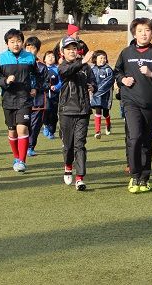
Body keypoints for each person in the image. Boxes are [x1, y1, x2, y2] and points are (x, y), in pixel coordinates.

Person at [114, 18, 152, 193]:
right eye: (140, 31)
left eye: (147, 30)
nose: (143, 34)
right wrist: (123, 80)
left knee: (146, 140)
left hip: (150, 102)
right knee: (135, 137)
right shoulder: (126, 52)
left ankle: (144, 178)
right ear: (134, 33)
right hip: (130, 102)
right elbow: (117, 72)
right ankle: (134, 175)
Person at [0, 28, 39, 173]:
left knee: (22, 128)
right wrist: (6, 81)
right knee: (12, 132)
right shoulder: (1, 58)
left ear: (22, 42)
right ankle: (16, 157)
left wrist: (34, 87)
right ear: (7, 43)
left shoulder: (30, 58)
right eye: (12, 42)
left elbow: (36, 75)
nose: (16, 44)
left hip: (24, 99)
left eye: (18, 41)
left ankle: (22, 161)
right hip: (8, 100)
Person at [57, 36, 96, 191]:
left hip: (83, 110)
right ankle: (68, 166)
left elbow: (93, 81)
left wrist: (93, 86)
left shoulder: (86, 67)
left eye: (74, 48)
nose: (72, 51)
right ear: (62, 52)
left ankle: (80, 178)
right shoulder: (63, 66)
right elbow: (68, 71)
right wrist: (83, 62)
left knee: (80, 144)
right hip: (66, 110)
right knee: (68, 145)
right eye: (68, 49)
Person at [24, 36, 49, 157]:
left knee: (35, 126)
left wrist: (36, 89)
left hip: (38, 102)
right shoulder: (20, 64)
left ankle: (30, 147)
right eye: (27, 47)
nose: (29, 50)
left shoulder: (42, 66)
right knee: (23, 125)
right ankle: (22, 146)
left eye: (32, 48)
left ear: (37, 50)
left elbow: (46, 83)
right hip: (22, 101)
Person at [91, 50, 115, 139]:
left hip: (106, 94)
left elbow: (108, 82)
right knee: (98, 111)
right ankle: (97, 131)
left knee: (105, 113)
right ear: (95, 59)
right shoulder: (92, 69)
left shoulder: (108, 70)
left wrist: (97, 90)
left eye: (104, 58)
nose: (103, 60)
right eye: (101, 58)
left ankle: (108, 124)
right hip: (96, 94)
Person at [42, 51, 61, 139]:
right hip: (44, 94)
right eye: (48, 56)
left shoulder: (57, 69)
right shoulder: (41, 69)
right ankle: (46, 125)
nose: (50, 58)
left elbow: (61, 81)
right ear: (44, 59)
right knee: (46, 110)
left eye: (52, 56)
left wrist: (56, 87)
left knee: (54, 114)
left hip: (55, 95)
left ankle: (52, 131)